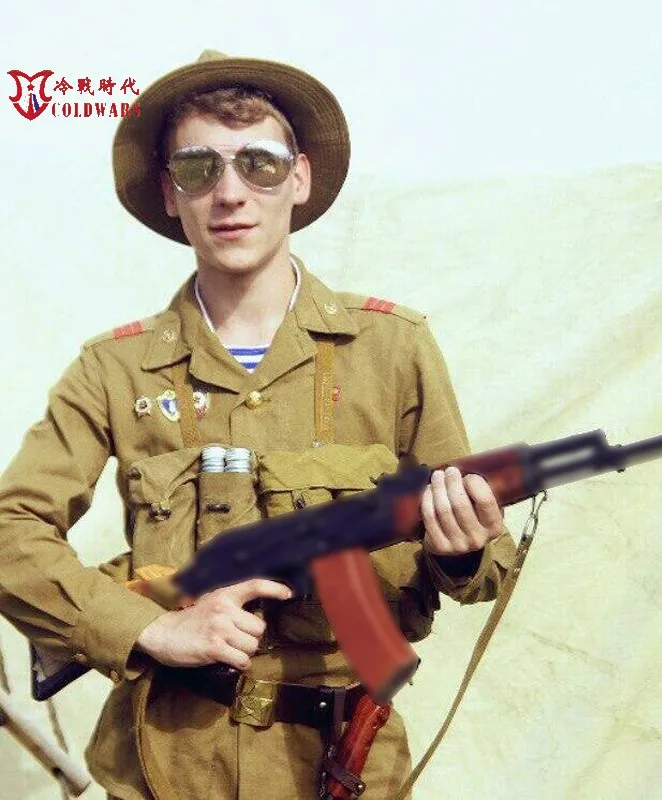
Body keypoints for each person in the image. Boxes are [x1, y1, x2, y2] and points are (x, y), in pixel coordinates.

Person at [0, 50, 517, 799]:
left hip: (345, 766)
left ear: (298, 178)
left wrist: (462, 550)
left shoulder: (392, 348)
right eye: (199, 168)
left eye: (259, 164)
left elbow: (484, 567)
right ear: (170, 192)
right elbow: (11, 529)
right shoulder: (117, 369)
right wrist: (150, 629)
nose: (230, 193)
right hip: (168, 768)